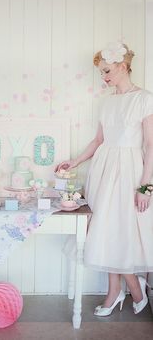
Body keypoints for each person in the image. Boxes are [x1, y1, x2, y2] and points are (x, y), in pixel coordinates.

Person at [55, 42, 153, 316]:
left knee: (121, 230)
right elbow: (99, 140)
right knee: (106, 230)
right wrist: (74, 161)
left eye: (107, 70)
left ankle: (124, 290)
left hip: (130, 171)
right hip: (103, 170)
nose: (104, 77)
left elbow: (151, 145)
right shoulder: (107, 102)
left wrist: (146, 186)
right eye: (101, 72)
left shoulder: (144, 98)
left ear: (123, 66)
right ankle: (128, 288)